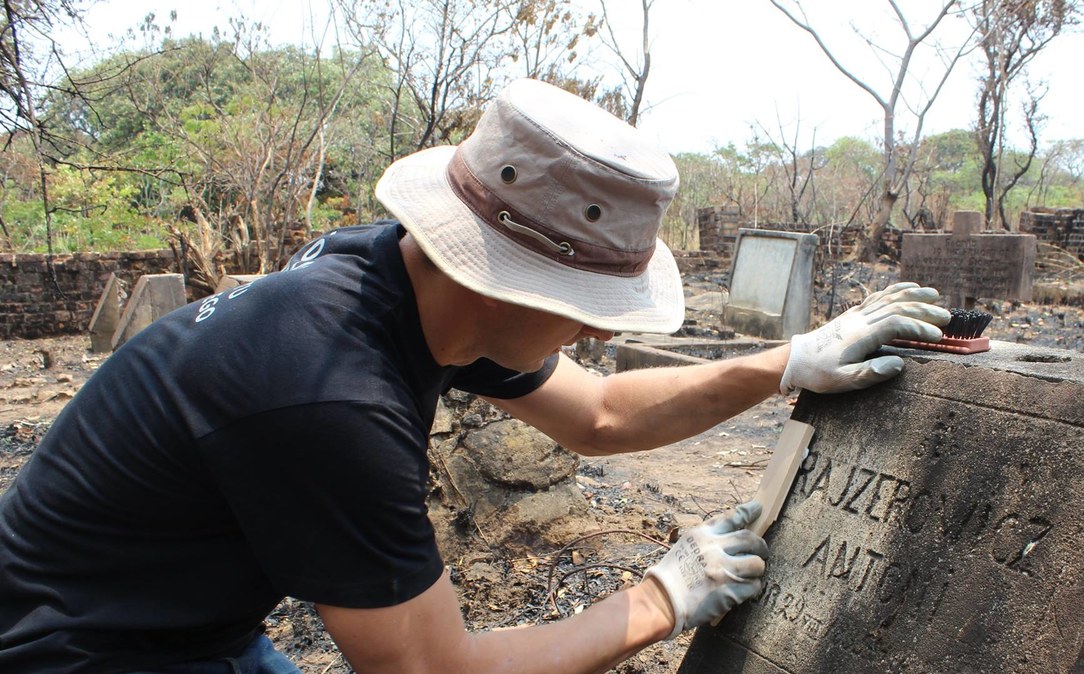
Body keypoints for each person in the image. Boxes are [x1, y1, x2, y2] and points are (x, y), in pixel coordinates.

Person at [0, 78, 950, 673]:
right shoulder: (330, 395)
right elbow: (431, 672)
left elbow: (604, 416)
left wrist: (785, 363)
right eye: (587, 306)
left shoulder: (405, 283)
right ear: (505, 284)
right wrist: (656, 603)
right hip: (84, 651)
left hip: (194, 626)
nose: (589, 332)